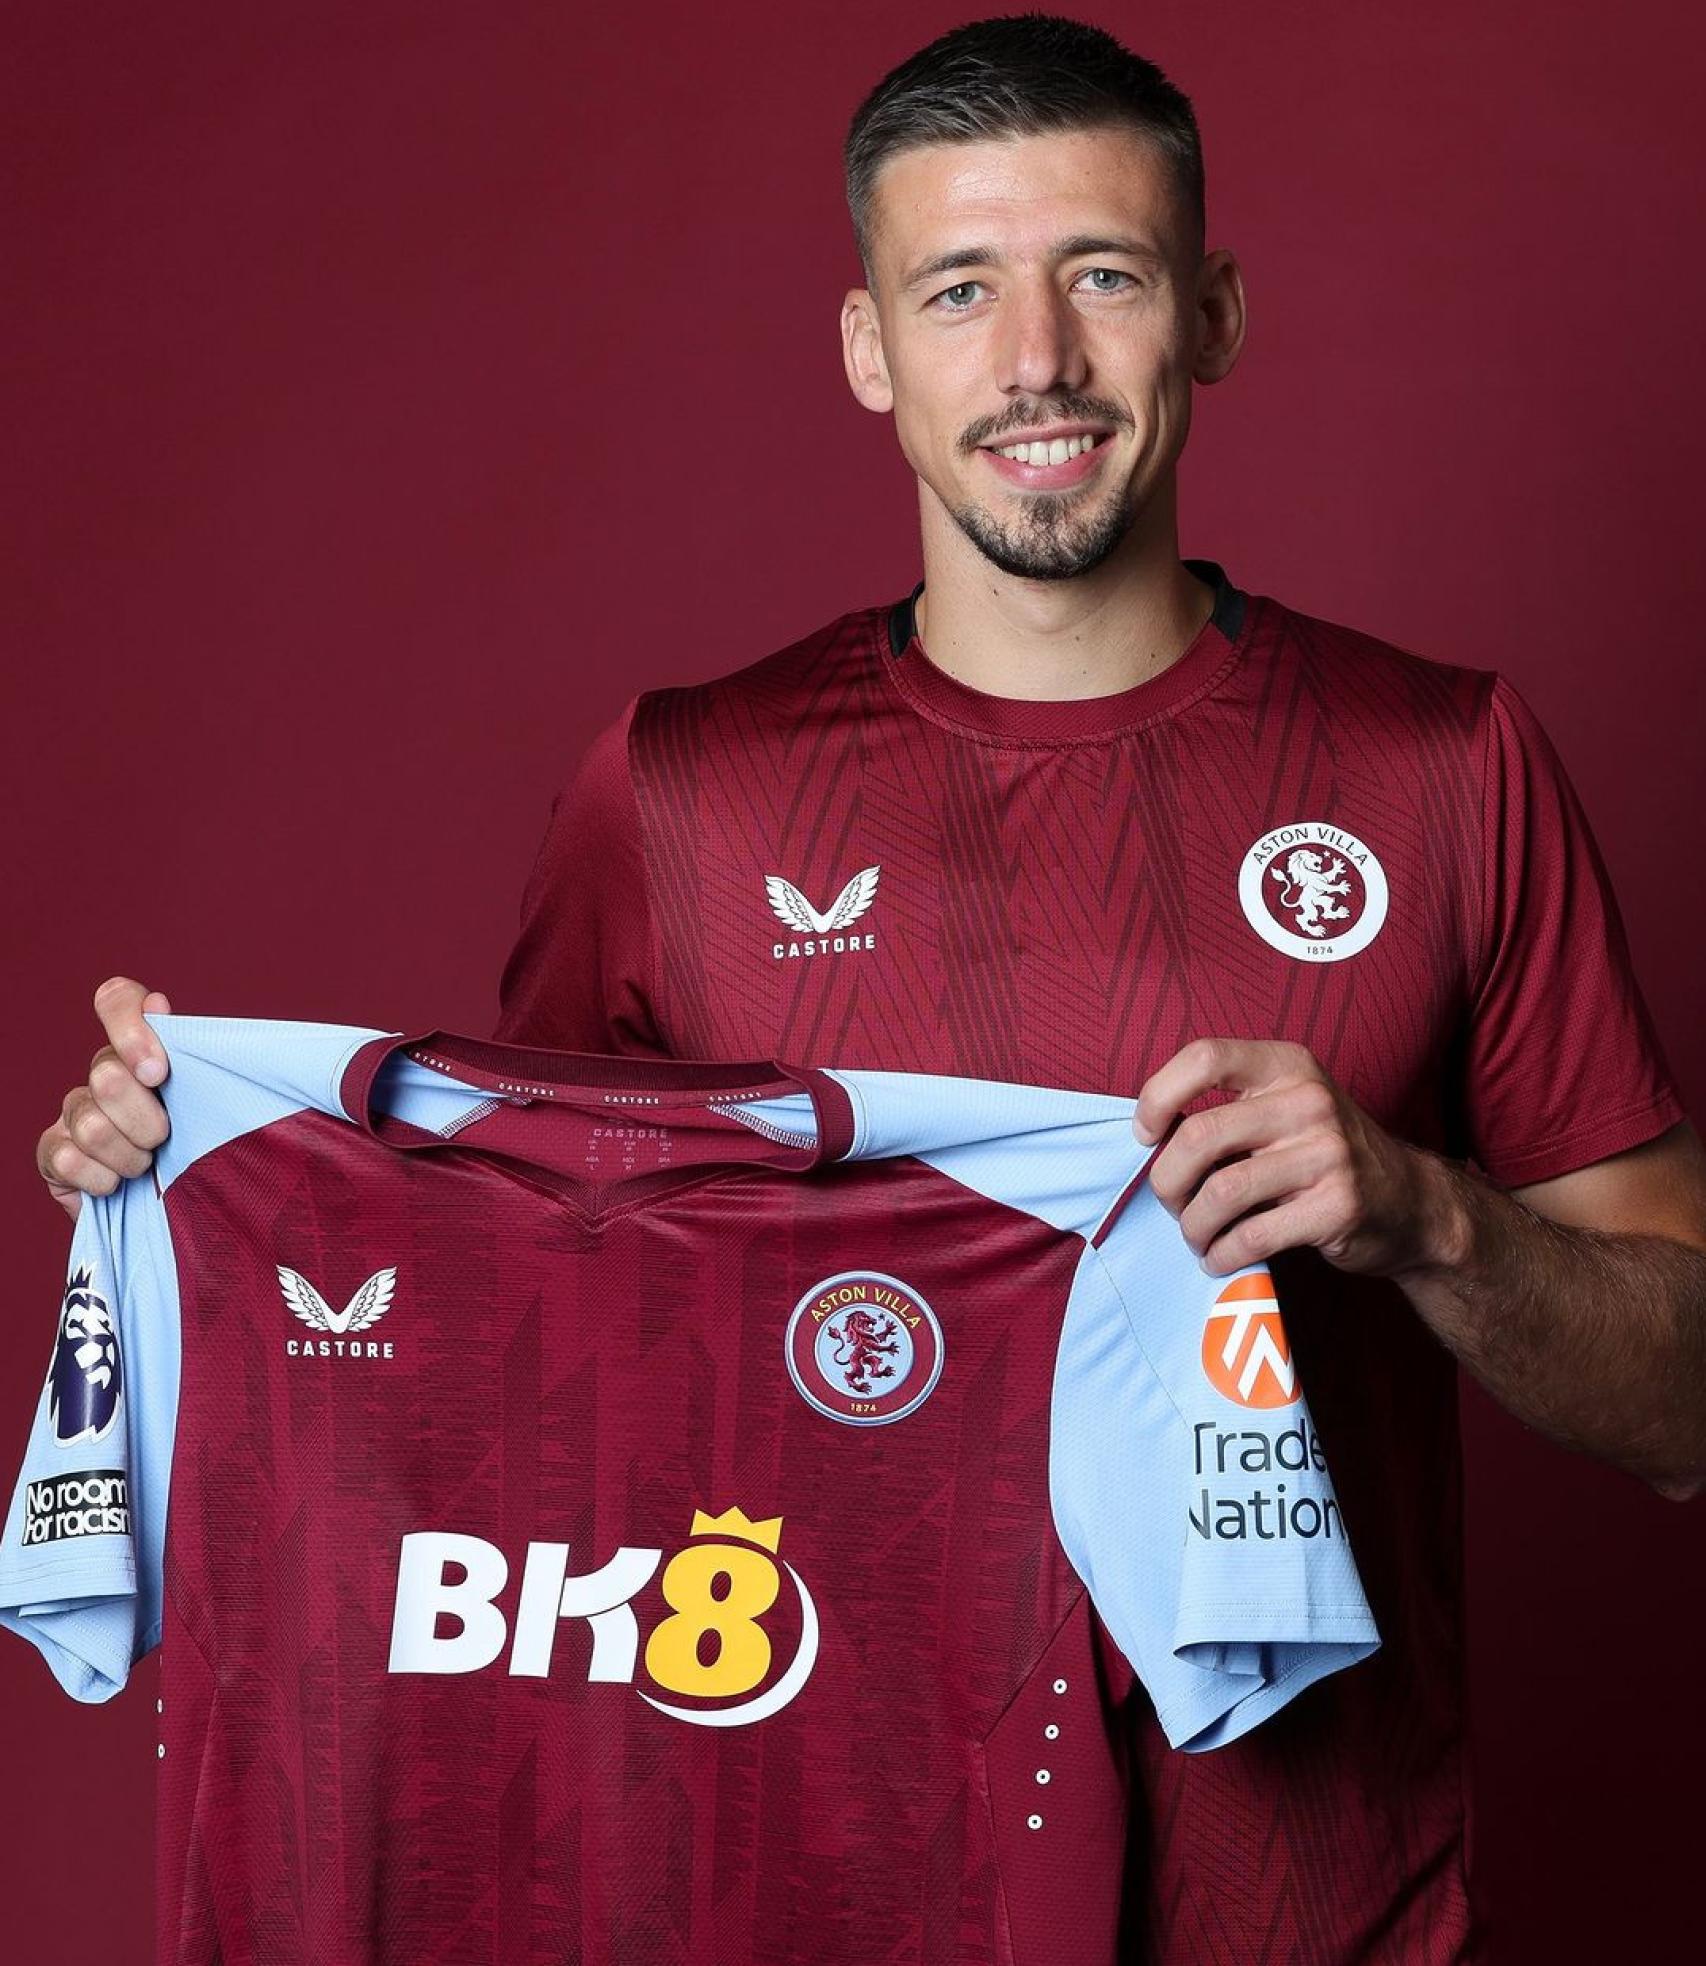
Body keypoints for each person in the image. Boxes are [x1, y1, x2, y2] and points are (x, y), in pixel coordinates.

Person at [32, 15, 1706, 1963]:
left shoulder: (1443, 763)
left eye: (1104, 276)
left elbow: (1684, 1401)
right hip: (810, 1898)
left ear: (1216, 315)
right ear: (866, 351)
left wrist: (1428, 1216)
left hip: (1324, 1913)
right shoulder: (677, 789)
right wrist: (183, 1175)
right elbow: (509, 1348)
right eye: (958, 289)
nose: (1036, 364)